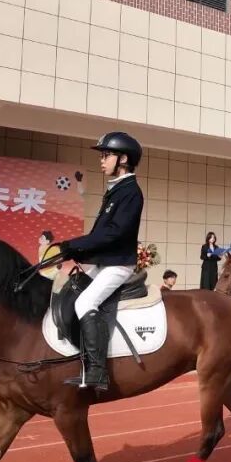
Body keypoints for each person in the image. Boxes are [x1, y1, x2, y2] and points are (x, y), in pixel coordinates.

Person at [58, 132, 145, 392]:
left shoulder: (131, 192)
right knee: (72, 290)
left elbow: (114, 233)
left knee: (85, 302)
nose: (102, 160)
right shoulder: (116, 190)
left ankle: (97, 371)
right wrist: (76, 251)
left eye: (106, 155)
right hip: (106, 261)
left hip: (118, 265)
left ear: (123, 159)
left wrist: (76, 244)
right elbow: (102, 234)